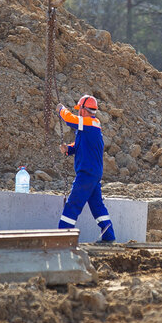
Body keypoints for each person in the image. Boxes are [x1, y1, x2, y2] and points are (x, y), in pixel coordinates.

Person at [56, 94, 115, 242]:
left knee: (73, 204)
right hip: (92, 173)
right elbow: (78, 146)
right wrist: (68, 149)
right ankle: (109, 237)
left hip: (87, 173)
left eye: (78, 109)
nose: (77, 112)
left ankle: (62, 238)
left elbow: (69, 119)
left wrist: (61, 109)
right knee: (97, 207)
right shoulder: (87, 127)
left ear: (83, 109)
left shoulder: (91, 123)